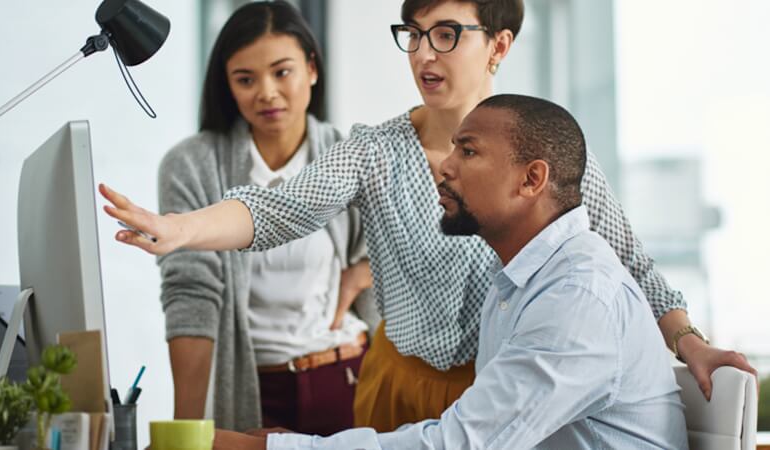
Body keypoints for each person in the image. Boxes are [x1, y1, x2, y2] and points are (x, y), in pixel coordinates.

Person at [101, 0, 755, 432]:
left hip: (505, 392)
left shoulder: (545, 150)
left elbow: (628, 259)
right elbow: (280, 208)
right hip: (397, 385)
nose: (422, 54)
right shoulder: (374, 149)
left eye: (445, 35)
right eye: (412, 35)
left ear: (499, 45)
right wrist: (182, 229)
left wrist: (688, 341)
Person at [212, 95, 690, 449]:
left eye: (468, 152)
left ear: (531, 179)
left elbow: (459, 445)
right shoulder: (520, 280)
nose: (444, 166)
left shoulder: (577, 297)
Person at [153, 1, 376, 434]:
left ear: (312, 69)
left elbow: (413, 244)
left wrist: (363, 271)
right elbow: (191, 294)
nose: (267, 92)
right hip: (253, 389)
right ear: (227, 85)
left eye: (282, 72)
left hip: (347, 376)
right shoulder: (191, 165)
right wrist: (187, 431)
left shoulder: (349, 154)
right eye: (245, 79)